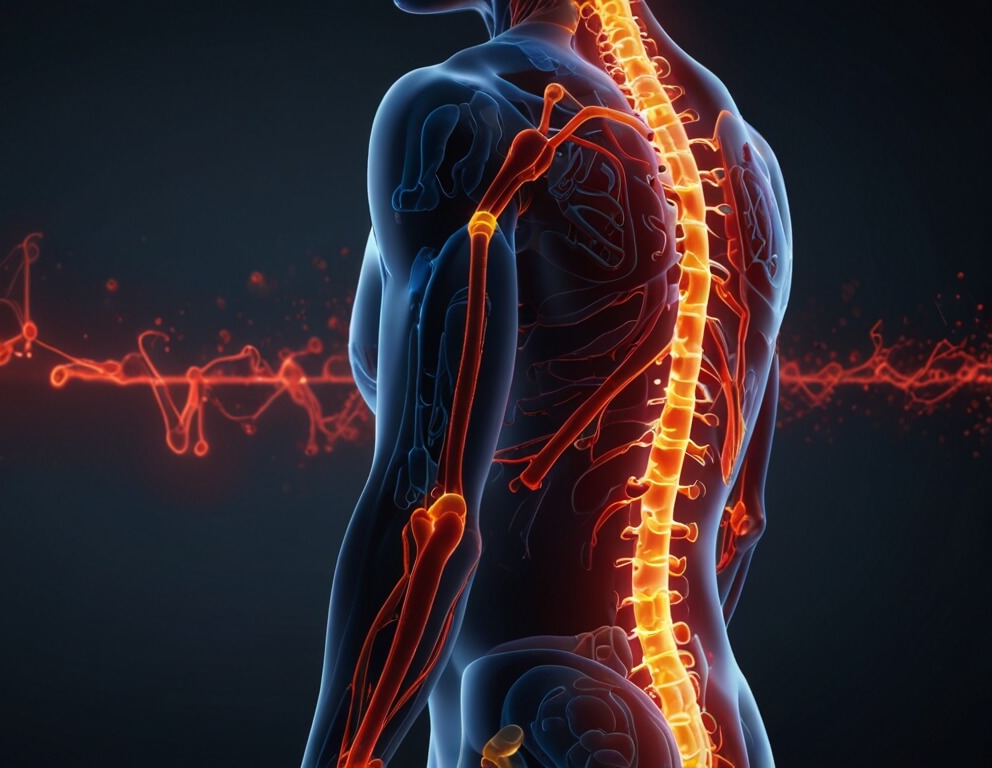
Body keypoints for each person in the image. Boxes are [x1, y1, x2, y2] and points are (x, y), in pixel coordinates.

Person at [302, 2, 791, 766]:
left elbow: (429, 508)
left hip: (538, 716)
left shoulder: (471, 110)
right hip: (721, 721)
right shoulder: (747, 164)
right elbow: (740, 521)